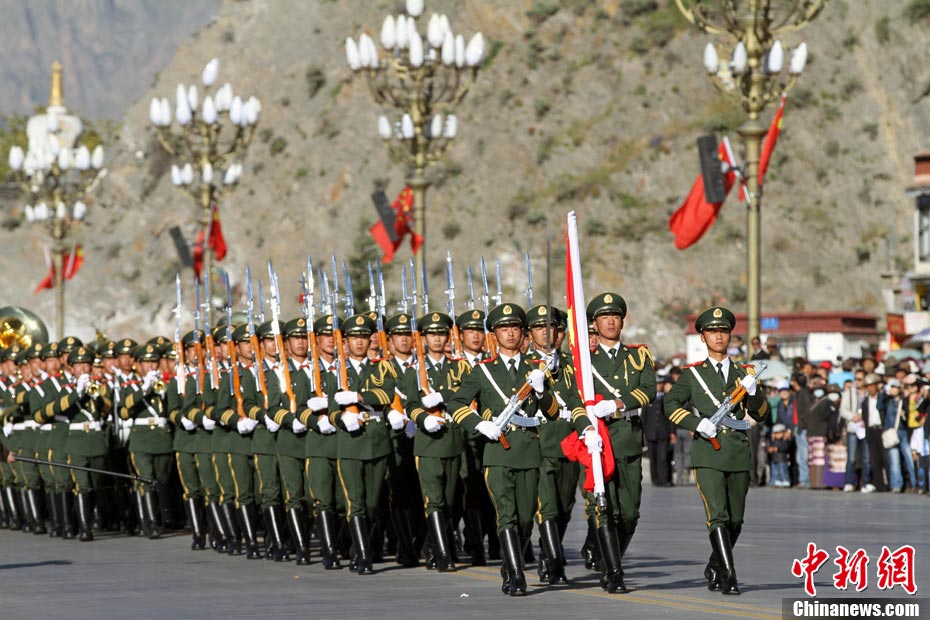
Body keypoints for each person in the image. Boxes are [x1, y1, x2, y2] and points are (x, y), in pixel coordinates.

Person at [446, 302, 560, 596]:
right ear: (494, 335)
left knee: (525, 518)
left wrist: (541, 390)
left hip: (529, 450)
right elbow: (455, 403)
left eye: (514, 328)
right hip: (498, 451)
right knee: (506, 514)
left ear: (523, 333)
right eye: (503, 328)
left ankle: (511, 563)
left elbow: (553, 413)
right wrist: (479, 424)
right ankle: (517, 575)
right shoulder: (483, 370)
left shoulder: (536, 369)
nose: (509, 333)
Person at [664, 306, 768, 596]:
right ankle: (729, 575)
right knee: (718, 516)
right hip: (708, 452)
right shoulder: (693, 375)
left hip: (737, 451)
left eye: (723, 331)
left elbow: (761, 414)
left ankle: (714, 565)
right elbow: (669, 404)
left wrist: (754, 392)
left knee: (736, 520)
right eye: (712, 331)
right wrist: (697, 423)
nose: (718, 336)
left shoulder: (744, 373)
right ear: (703, 337)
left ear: (730, 335)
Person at [570, 292, 656, 594]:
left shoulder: (637, 356)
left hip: (628, 437)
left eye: (615, 316)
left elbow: (649, 390)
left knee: (629, 513)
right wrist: (586, 426)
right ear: (594, 324)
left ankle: (608, 556)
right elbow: (575, 399)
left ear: (622, 321)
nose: (610, 322)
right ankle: (614, 570)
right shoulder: (584, 362)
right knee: (604, 508)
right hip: (599, 441)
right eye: (604, 317)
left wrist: (618, 403)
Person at [861, 373, 888, 492]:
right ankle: (879, 484)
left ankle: (889, 483)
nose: (870, 388)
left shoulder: (883, 399)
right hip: (871, 430)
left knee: (885, 457)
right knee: (874, 458)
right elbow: (865, 416)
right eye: (868, 386)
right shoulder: (865, 401)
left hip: (882, 429)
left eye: (872, 385)